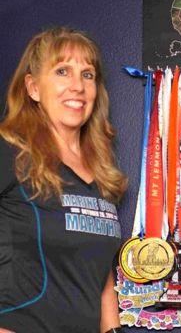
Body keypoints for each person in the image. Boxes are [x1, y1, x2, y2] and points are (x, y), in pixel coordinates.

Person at [0, 27, 127, 332]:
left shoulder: (101, 172)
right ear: (32, 88)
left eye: (87, 75)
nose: (77, 86)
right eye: (62, 71)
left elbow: (99, 273)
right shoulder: (9, 152)